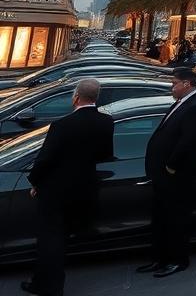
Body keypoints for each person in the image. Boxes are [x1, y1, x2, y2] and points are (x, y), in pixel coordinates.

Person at [23, 79, 114, 296]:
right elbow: (104, 154)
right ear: (96, 98)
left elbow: (45, 159)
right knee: (68, 234)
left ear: (75, 97)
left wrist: (35, 181)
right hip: (86, 186)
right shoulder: (106, 122)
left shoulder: (62, 125)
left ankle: (49, 286)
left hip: (57, 190)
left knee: (50, 239)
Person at [137, 68, 196, 278]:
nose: (172, 87)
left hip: (178, 175)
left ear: (187, 84)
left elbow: (188, 141)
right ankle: (159, 258)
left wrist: (171, 165)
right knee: (162, 216)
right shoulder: (184, 102)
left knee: (176, 218)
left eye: (174, 83)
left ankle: (177, 260)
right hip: (165, 175)